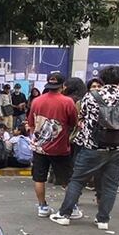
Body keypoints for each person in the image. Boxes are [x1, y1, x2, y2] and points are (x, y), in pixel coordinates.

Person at [50, 66, 119, 231]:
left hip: (93, 146)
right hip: (118, 146)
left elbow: (82, 117)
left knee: (77, 180)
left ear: (102, 79)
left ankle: (64, 214)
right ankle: (103, 219)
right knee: (110, 185)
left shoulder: (92, 96)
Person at [27, 72, 79, 217]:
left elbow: (31, 123)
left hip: (39, 147)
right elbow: (73, 123)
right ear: (63, 86)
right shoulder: (68, 102)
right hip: (60, 147)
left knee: (39, 178)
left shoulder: (36, 101)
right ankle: (72, 207)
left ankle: (42, 207)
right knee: (67, 179)